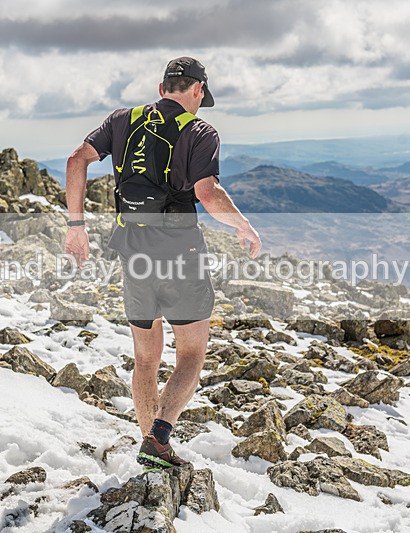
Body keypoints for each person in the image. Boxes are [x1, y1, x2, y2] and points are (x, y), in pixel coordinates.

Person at [64, 57, 261, 469]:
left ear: (161, 89)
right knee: (191, 353)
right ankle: (160, 437)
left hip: (132, 250)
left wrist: (76, 226)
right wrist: (242, 225)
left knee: (145, 359)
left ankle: (149, 447)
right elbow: (207, 194)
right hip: (179, 252)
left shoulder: (123, 119)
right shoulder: (200, 130)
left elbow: (76, 160)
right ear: (198, 91)